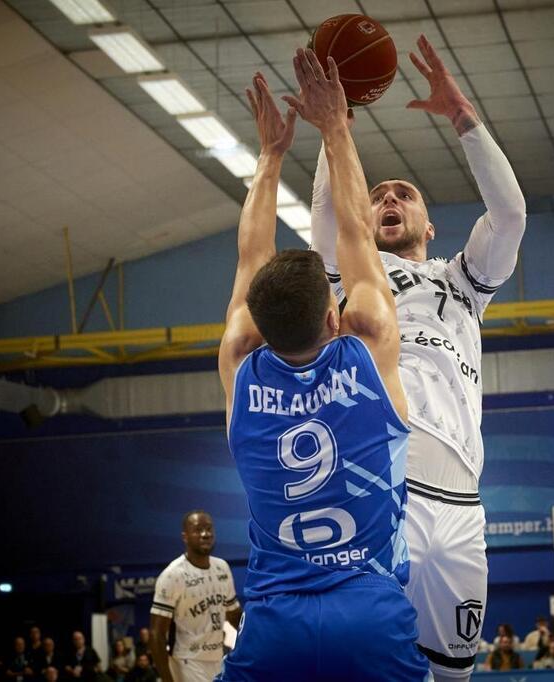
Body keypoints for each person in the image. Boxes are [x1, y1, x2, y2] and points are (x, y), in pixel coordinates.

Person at [308, 33, 526, 682]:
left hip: (461, 498)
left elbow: (510, 214)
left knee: (453, 674)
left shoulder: (462, 279)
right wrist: (333, 129)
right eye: (377, 196)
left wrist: (465, 118)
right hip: (382, 473)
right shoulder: (351, 277)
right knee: (371, 666)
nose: (390, 200)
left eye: (403, 194)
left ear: (430, 226)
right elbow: (328, 217)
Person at [214, 51, 429, 681]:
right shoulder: (369, 345)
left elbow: (250, 254)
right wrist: (335, 128)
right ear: (335, 318)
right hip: (368, 609)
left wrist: (270, 156)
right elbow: (359, 237)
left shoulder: (239, 364)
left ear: (257, 325)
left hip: (273, 619)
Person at [150, 511, 241, 682]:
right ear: (185, 536)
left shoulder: (222, 567)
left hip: (217, 659)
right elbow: (156, 634)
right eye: (198, 530)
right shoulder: (173, 575)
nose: (205, 534)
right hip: (187, 662)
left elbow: (234, 615)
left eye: (208, 529)